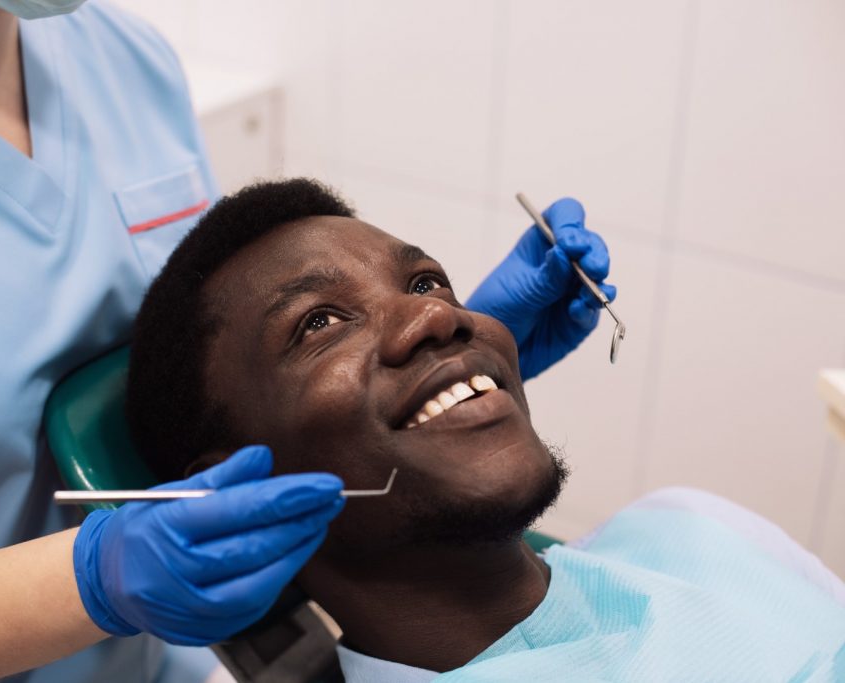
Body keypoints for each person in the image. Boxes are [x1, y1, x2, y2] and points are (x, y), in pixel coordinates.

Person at [0, 1, 617, 681]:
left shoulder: (122, 59)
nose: (434, 312)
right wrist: (95, 579)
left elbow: (219, 381)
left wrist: (446, 375)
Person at [127, 178, 845, 682]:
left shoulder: (688, 528)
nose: (441, 316)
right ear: (235, 490)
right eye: (320, 322)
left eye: (424, 282)